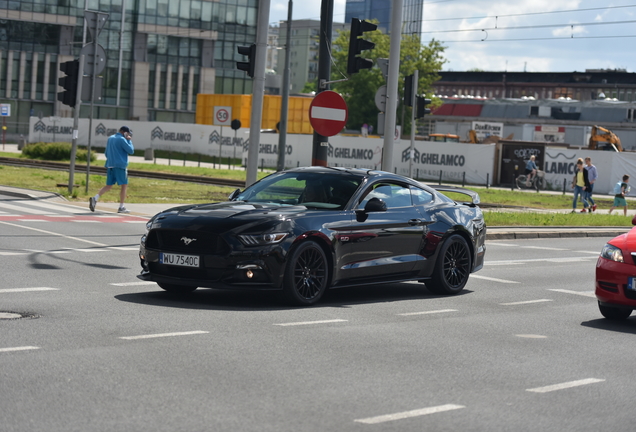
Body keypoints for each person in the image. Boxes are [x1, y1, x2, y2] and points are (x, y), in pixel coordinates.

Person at [89, 126, 134, 213]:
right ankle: (121, 207)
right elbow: (131, 151)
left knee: (109, 185)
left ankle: (95, 198)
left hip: (110, 165)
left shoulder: (110, 138)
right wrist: (129, 140)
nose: (128, 135)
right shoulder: (122, 139)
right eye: (127, 134)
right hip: (120, 166)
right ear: (124, 132)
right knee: (124, 185)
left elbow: (106, 153)